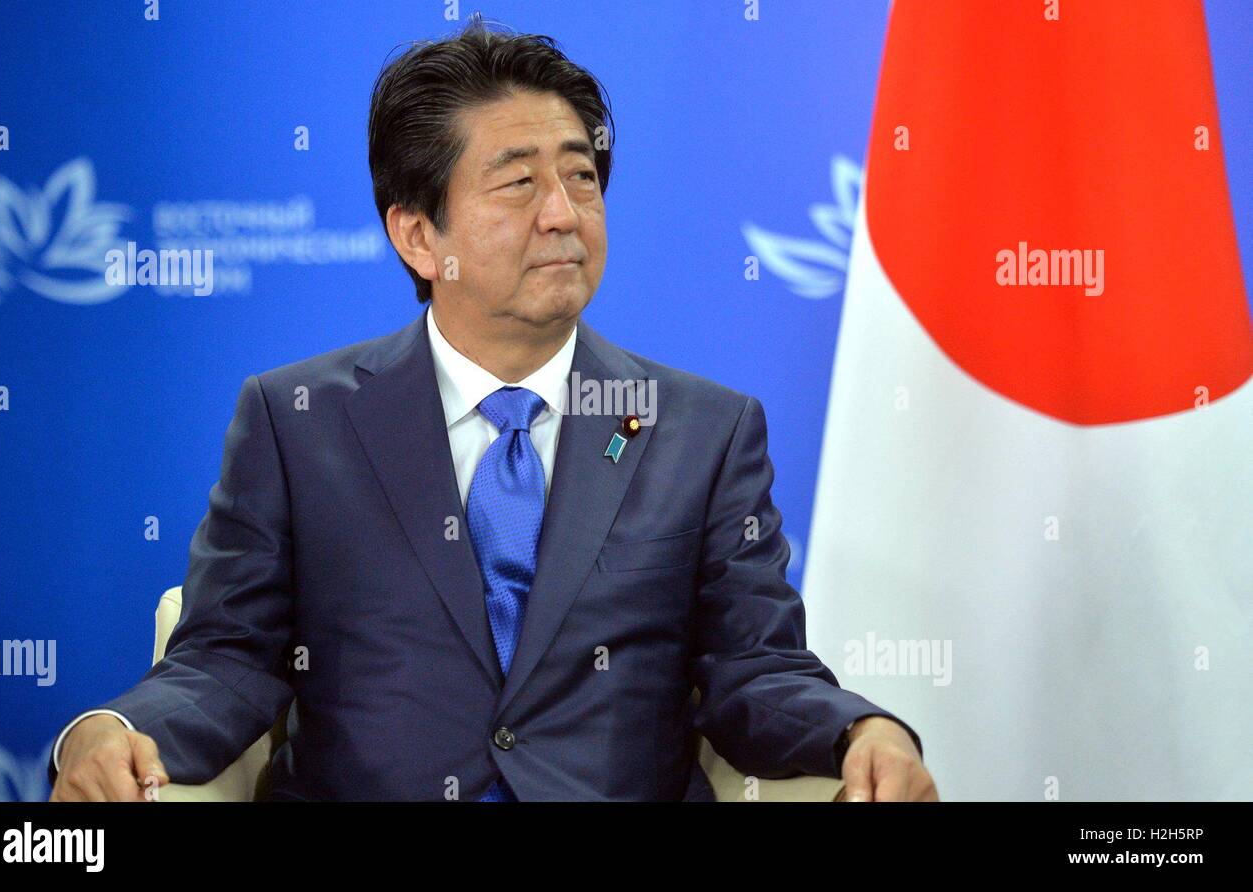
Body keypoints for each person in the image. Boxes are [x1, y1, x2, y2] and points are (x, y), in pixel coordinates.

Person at [49, 16, 937, 803]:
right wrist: (110, 729)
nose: (563, 213)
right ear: (418, 234)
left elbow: (755, 669)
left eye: (582, 177)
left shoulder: (702, 431)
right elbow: (226, 658)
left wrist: (863, 731)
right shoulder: (297, 422)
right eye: (518, 184)